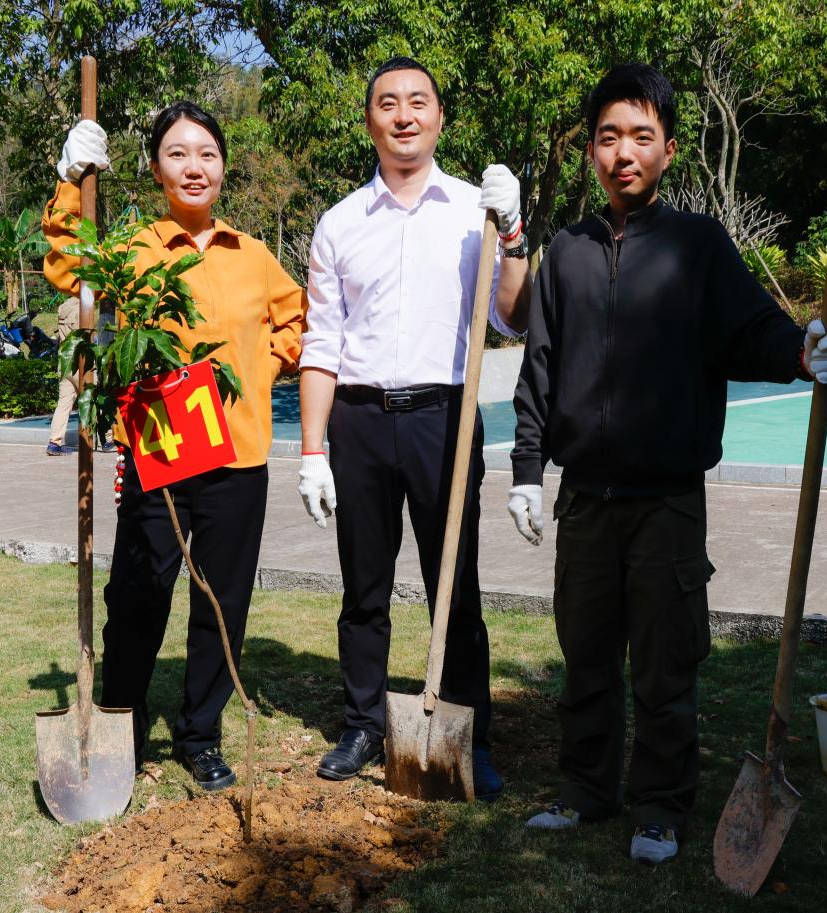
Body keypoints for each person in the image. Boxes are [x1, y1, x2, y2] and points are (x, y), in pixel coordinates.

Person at [507, 63, 827, 862]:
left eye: (641, 136)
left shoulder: (698, 246)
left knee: (666, 664)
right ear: (591, 150)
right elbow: (539, 367)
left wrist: (803, 351)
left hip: (666, 500)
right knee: (585, 656)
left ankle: (660, 807)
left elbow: (752, 331)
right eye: (608, 137)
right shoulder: (567, 252)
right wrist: (527, 471)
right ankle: (585, 789)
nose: (623, 152)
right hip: (583, 500)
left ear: (667, 150)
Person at [43, 101, 306, 790]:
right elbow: (69, 271)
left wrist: (261, 367)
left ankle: (200, 734)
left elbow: (298, 319)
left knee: (222, 599)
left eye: (207, 154)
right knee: (138, 591)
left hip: (238, 455)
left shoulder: (254, 255)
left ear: (223, 167)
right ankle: (121, 723)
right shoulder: (133, 250)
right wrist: (71, 181)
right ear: (157, 169)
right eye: (178, 154)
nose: (195, 167)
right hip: (159, 448)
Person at [295, 56, 531, 800]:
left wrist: (513, 233)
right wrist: (312, 451)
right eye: (388, 103)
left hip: (445, 417)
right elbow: (320, 344)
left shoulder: (472, 212)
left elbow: (513, 317)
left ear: (438, 117)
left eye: (418, 101)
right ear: (369, 120)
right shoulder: (339, 222)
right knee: (363, 586)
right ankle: (364, 722)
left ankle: (469, 732)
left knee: (454, 585)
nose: (404, 115)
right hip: (361, 420)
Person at [46, 294, 80, 456]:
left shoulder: (63, 307)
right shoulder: (83, 308)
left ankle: (54, 442)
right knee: (96, 395)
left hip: (64, 361)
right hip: (80, 362)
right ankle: (109, 437)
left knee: (64, 404)